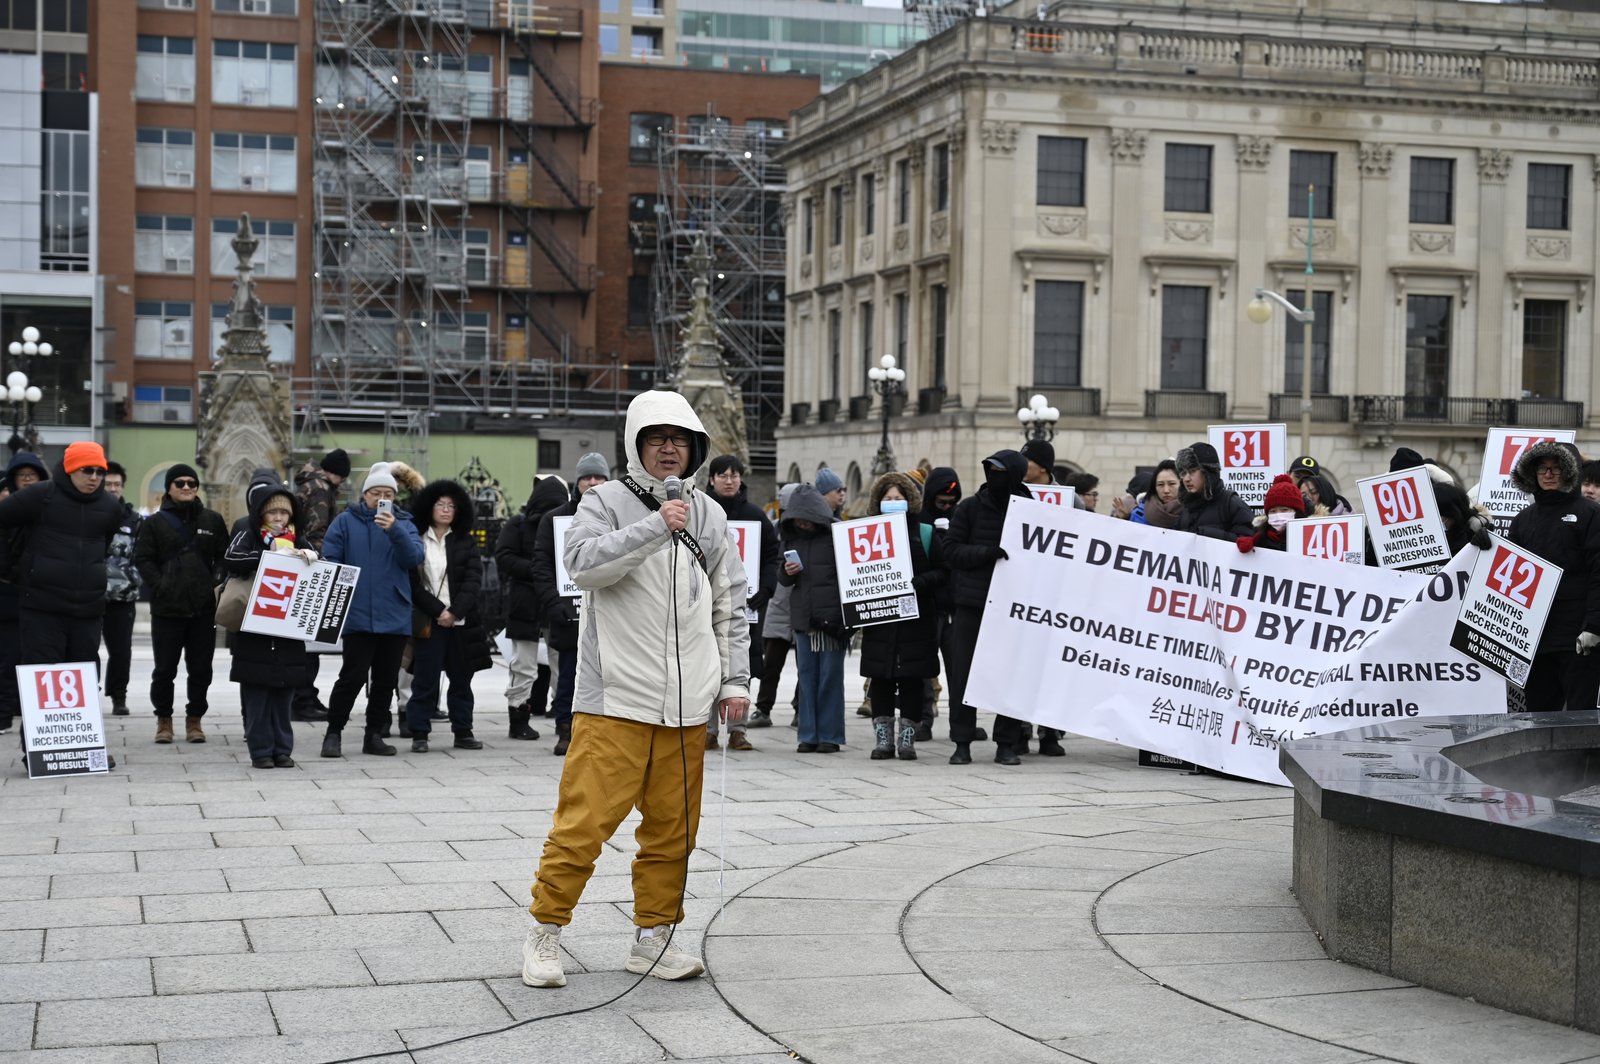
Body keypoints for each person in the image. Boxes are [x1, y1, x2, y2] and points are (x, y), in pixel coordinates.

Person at [522, 390, 748, 989]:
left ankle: (655, 936)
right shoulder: (605, 501)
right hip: (615, 697)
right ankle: (545, 932)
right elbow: (584, 565)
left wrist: (734, 678)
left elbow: (731, 604)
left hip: (687, 706)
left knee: (674, 832)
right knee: (583, 825)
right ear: (636, 446)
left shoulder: (713, 516)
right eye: (656, 439)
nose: (668, 448)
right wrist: (654, 527)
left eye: (679, 439)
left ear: (694, 448)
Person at [319, 462, 425, 757]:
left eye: (387, 493)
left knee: (385, 681)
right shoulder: (344, 522)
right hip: (358, 615)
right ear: (364, 495)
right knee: (351, 677)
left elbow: (414, 557)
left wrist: (394, 530)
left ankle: (374, 735)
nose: (381, 497)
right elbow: (331, 559)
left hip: (394, 615)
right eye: (375, 492)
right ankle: (333, 733)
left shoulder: (404, 522)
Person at [943, 451, 1034, 766]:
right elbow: (951, 550)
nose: (992, 475)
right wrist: (986, 553)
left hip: (1013, 608)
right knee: (964, 677)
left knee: (1009, 677)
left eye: (999, 470)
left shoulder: (1032, 511)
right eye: (989, 470)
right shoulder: (969, 508)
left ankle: (1006, 743)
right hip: (972, 604)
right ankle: (962, 742)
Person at [0, 442, 123, 669]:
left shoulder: (110, 507)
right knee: (42, 677)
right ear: (70, 469)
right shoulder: (40, 495)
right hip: (42, 607)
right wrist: (6, 566)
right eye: (87, 470)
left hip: (89, 609)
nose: (94, 477)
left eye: (100, 471)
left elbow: (103, 545)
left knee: (83, 678)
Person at [134, 462, 228, 744]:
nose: (186, 487)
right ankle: (164, 720)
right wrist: (160, 584)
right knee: (164, 669)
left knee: (201, 669)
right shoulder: (154, 523)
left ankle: (194, 720)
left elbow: (224, 555)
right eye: (180, 483)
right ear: (169, 488)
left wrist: (216, 582)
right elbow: (143, 559)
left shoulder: (212, 520)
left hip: (202, 609)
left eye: (191, 483)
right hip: (167, 609)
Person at [223, 486, 314, 768]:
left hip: (287, 629)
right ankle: (261, 750)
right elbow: (230, 560)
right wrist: (268, 557)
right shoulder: (249, 535)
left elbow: (318, 565)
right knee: (257, 694)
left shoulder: (299, 539)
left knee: (284, 692)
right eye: (273, 511)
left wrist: (308, 557)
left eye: (284, 512)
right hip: (255, 628)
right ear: (262, 513)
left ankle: (282, 750)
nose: (278, 517)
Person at [1507, 442, 1600, 712]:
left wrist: (1594, 625)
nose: (1548, 474)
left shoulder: (1590, 514)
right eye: (1542, 468)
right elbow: (1508, 574)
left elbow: (1598, 573)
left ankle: (1584, 757)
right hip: (1535, 639)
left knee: (1580, 719)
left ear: (1570, 472)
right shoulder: (1522, 520)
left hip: (1579, 639)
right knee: (1540, 717)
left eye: (1556, 468)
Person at [859, 472, 943, 761]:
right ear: (878, 502)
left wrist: (923, 581)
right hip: (880, 619)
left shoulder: (925, 532)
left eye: (899, 498)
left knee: (911, 681)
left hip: (916, 620)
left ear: (910, 501)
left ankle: (907, 740)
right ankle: (883, 741)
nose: (893, 503)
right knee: (880, 679)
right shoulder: (866, 533)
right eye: (888, 499)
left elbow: (943, 570)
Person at [532, 457, 611, 756]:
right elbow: (542, 566)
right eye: (586, 477)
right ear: (577, 482)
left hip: (609, 613)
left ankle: (601, 731)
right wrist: (554, 603)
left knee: (608, 675)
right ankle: (565, 729)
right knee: (568, 675)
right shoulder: (554, 519)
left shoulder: (617, 515)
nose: (592, 482)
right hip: (568, 613)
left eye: (598, 477)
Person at [405, 479, 488, 753]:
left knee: (462, 679)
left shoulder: (465, 541)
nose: (445, 509)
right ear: (429, 507)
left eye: (450, 505)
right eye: (440, 504)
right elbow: (413, 584)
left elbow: (474, 580)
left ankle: (463, 730)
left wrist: (454, 611)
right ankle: (419, 732)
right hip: (431, 621)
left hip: (461, 623)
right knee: (425, 679)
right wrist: (438, 610)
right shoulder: (417, 540)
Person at [705, 454, 779, 752]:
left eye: (734, 475)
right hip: (706, 605)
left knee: (741, 663)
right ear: (712, 479)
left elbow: (772, 555)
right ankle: (708, 729)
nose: (729, 480)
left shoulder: (756, 515)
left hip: (745, 605)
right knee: (707, 664)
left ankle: (738, 729)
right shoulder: (701, 512)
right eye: (723, 475)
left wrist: (767, 588)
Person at [496, 474, 569, 740]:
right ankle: (519, 718)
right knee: (523, 665)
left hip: (554, 604)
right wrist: (539, 572)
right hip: (527, 604)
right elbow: (504, 556)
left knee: (560, 663)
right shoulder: (518, 524)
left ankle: (563, 717)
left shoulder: (565, 523)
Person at [778, 484, 846, 753]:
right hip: (804, 620)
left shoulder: (837, 534)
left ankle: (829, 735)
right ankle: (808, 734)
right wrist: (787, 571)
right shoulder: (790, 537)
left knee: (830, 677)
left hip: (831, 621)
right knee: (806, 677)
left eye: (806, 518)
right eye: (797, 518)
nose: (802, 523)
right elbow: (782, 579)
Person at [0, 454, 47, 733]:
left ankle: (29, 711)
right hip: (9, 594)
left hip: (41, 595)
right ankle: (4, 713)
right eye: (22, 475)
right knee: (8, 659)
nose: (28, 479)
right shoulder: (7, 513)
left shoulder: (48, 512)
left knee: (37, 659)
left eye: (33, 474)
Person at [917, 466, 964, 741]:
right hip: (930, 607)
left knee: (959, 669)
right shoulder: (921, 523)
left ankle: (961, 722)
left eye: (951, 503)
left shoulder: (961, 520)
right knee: (924, 669)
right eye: (941, 503)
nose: (946, 507)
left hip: (955, 608)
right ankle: (924, 719)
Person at [750, 483, 798, 729]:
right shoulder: (775, 531)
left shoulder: (813, 530)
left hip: (801, 605)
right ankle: (763, 707)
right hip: (778, 605)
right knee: (772, 665)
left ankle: (800, 708)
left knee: (804, 666)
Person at [101, 461, 142, 717]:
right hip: (88, 594)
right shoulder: (87, 514)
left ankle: (119, 696)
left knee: (121, 651)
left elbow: (145, 555)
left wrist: (135, 576)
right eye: (108, 484)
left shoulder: (134, 520)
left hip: (122, 597)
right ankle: (86, 697)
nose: (113, 488)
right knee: (84, 649)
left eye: (117, 484)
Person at [1175, 442, 1255, 541]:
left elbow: (1250, 541)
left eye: (1192, 471)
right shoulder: (1184, 509)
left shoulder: (1231, 503)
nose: (1186, 479)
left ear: (1208, 472)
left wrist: (1207, 535)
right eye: (1183, 473)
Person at [1236, 475, 1310, 553]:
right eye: (1273, 511)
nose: (1278, 515)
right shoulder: (1260, 538)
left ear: (1297, 511)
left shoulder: (1307, 537)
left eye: (1284, 510)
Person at [1132, 459, 1182, 528]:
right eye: (1160, 484)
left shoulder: (1193, 513)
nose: (1166, 490)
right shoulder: (1139, 515)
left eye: (1172, 484)